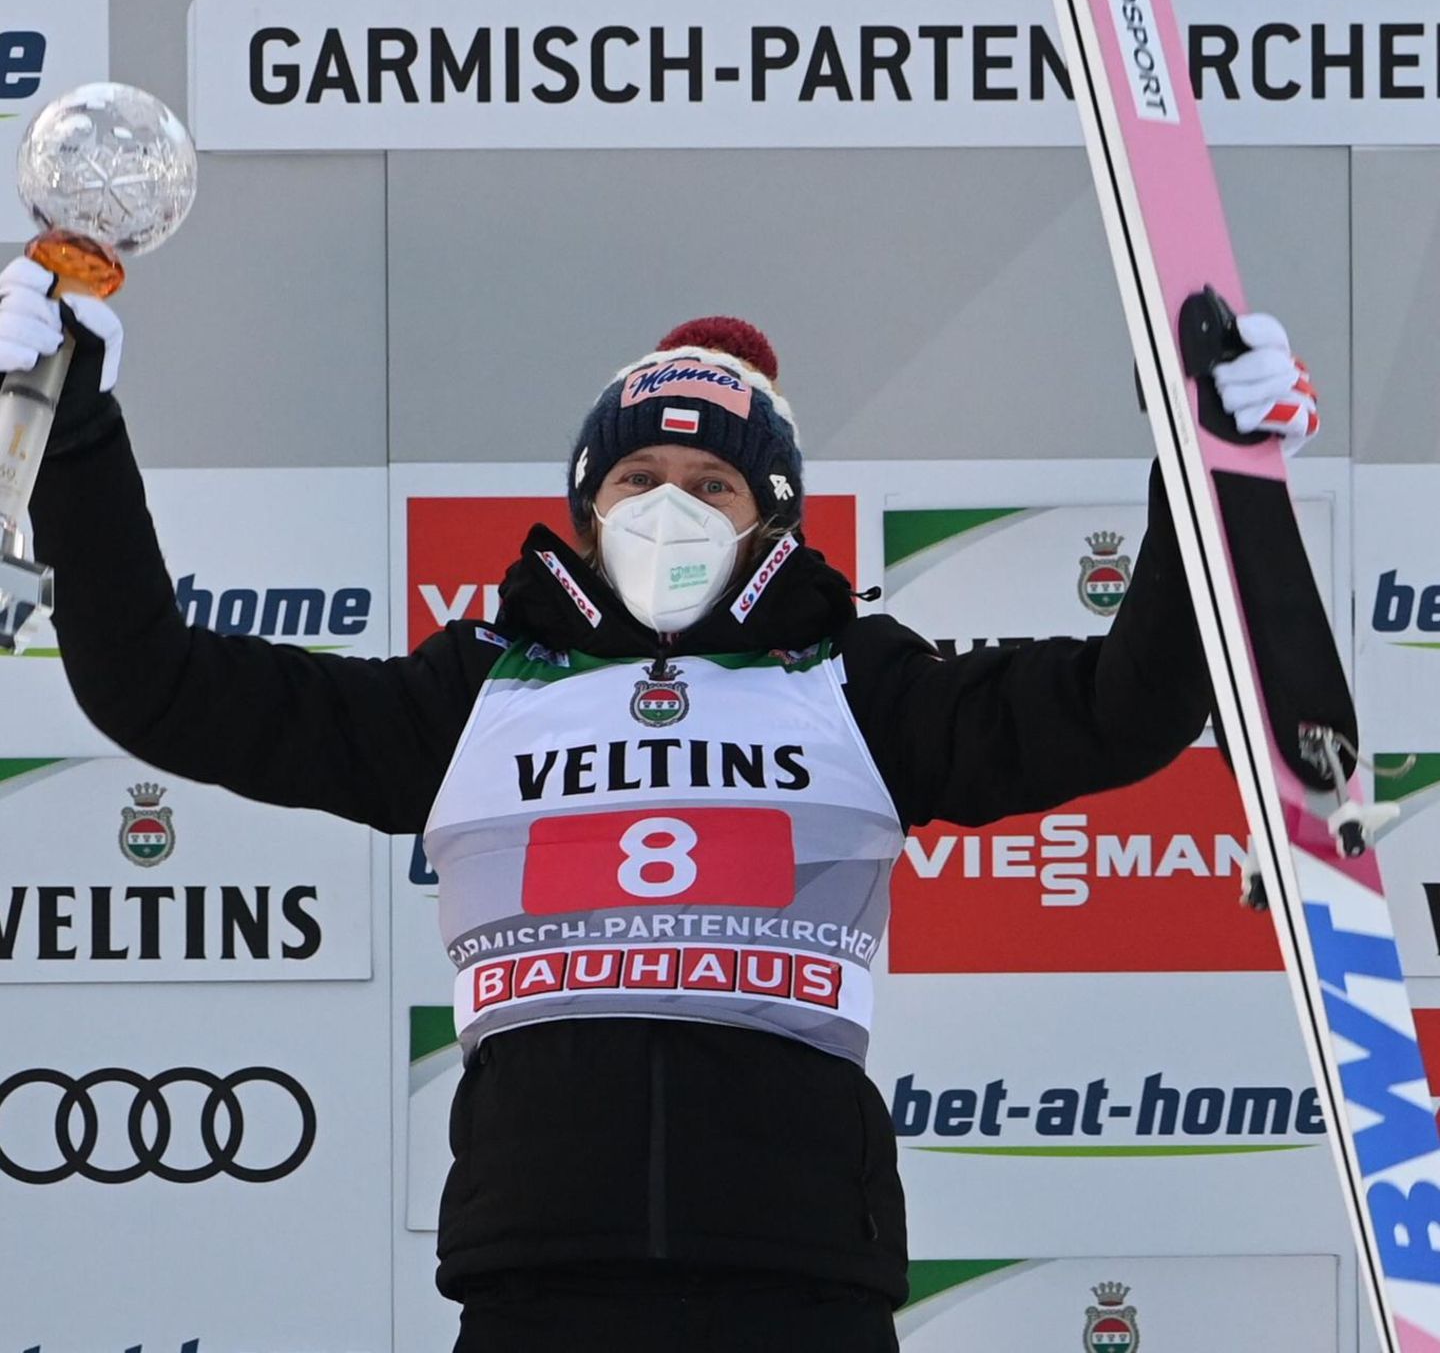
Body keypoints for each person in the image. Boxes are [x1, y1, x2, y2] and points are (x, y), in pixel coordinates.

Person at [0, 257, 1318, 1352]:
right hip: (538, 1284)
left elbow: (1123, 707)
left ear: (769, 522)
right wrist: (77, 436)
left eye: (711, 487)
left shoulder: (854, 679)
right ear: (583, 511)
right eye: (635, 483)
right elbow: (159, 688)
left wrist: (1211, 477)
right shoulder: (478, 691)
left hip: (801, 1283)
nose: (669, 509)